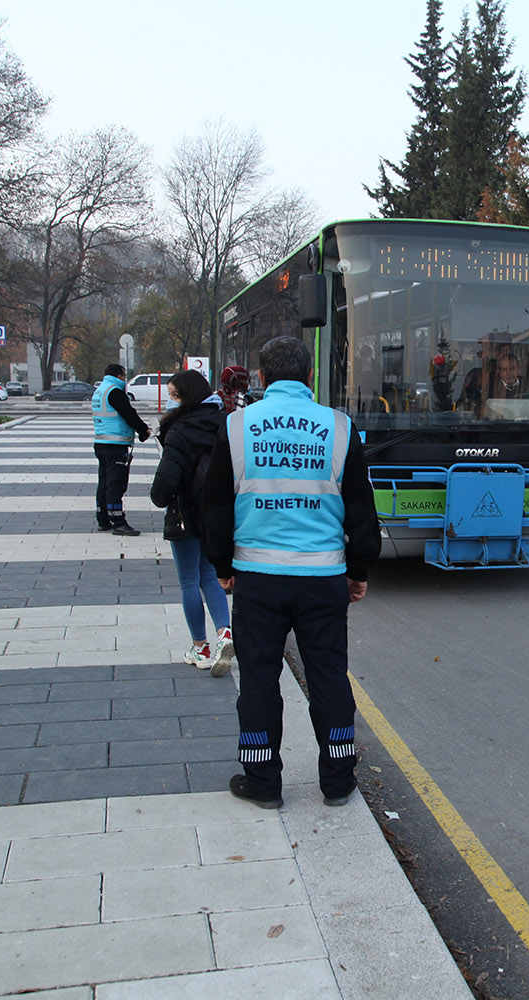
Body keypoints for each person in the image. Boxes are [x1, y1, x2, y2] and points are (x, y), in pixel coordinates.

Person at [203, 335, 382, 810]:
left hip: (257, 578)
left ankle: (262, 781)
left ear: (262, 377)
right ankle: (338, 780)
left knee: (259, 678)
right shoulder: (340, 428)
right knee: (328, 677)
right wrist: (358, 569)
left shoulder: (237, 426)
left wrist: (223, 566)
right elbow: (362, 509)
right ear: (309, 377)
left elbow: (216, 505)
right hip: (323, 578)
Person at [149, 369, 235, 676]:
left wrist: (159, 494)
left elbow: (162, 489)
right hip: (216, 516)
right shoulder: (225, 423)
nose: (171, 401)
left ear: (187, 397)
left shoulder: (179, 432)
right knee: (210, 576)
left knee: (188, 581)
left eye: (174, 395)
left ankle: (200, 648)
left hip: (185, 515)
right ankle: (225, 633)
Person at [92, 363, 151, 535]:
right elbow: (128, 413)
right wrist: (142, 430)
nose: (124, 380)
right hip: (115, 445)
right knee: (116, 484)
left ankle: (103, 519)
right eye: (124, 376)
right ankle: (118, 521)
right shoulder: (114, 392)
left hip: (101, 442)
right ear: (119, 375)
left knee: (103, 482)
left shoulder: (100, 391)